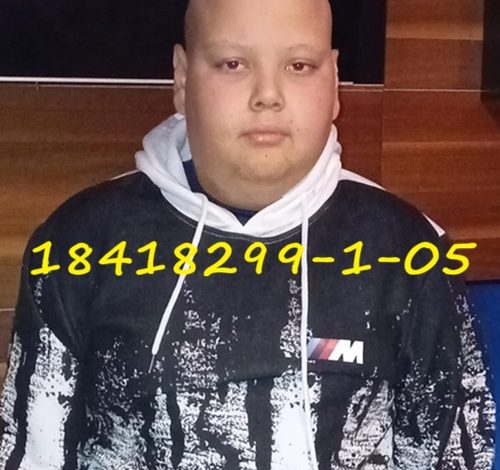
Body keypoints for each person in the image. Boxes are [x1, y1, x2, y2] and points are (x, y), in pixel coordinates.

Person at [0, 0, 495, 468]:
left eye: (299, 65)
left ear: (334, 82)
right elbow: (32, 455)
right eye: (233, 64)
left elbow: (452, 454)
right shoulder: (78, 246)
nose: (268, 95)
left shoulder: (410, 253)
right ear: (182, 79)